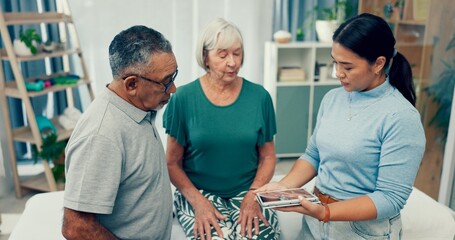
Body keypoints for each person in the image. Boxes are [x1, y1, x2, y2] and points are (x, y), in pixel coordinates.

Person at [256, 13, 426, 239]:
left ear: (378, 64)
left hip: (361, 231)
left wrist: (326, 212)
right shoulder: (333, 99)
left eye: (347, 66)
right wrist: (284, 187)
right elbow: (314, 155)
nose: (338, 73)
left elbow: (390, 199)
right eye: (335, 62)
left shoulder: (401, 117)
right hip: (314, 225)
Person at [163, 18, 280, 240]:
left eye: (237, 53)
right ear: (205, 57)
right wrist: (198, 203)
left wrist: (253, 196)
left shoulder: (260, 97)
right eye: (223, 54)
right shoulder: (182, 98)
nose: (233, 62)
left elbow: (268, 157)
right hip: (199, 192)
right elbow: (172, 162)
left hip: (250, 190)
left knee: (258, 236)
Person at [62, 25, 178, 239]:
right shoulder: (101, 135)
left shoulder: (138, 106)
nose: (173, 88)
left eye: (174, 76)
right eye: (166, 81)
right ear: (132, 84)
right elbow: (76, 226)